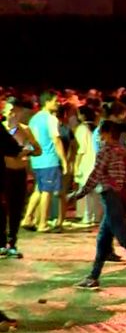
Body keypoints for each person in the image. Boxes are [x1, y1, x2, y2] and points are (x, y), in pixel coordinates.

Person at [69, 120, 126, 293]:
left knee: (125, 240)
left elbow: (95, 175)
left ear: (108, 134)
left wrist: (77, 195)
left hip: (110, 198)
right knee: (103, 239)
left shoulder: (106, 151)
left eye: (101, 134)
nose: (99, 137)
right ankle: (93, 277)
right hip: (117, 197)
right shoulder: (122, 151)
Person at [22, 91, 67, 233]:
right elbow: (56, 140)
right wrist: (64, 160)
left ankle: (27, 218)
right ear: (47, 102)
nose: (58, 103)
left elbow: (30, 139)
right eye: (55, 101)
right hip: (49, 159)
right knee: (46, 191)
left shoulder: (34, 119)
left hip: (36, 160)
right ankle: (42, 223)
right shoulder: (50, 119)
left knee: (38, 189)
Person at [0, 98, 31, 258]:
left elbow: (35, 149)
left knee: (16, 208)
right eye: (10, 110)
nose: (13, 114)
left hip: (19, 173)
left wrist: (27, 151)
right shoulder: (3, 129)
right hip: (6, 173)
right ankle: (2, 243)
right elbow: (13, 150)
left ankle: (11, 242)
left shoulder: (23, 129)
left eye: (16, 111)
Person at [73, 106, 99, 226]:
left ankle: (87, 217)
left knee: (86, 191)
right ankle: (96, 216)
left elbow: (80, 150)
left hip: (86, 162)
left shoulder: (82, 129)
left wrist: (76, 166)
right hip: (96, 162)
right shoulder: (97, 128)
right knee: (95, 191)